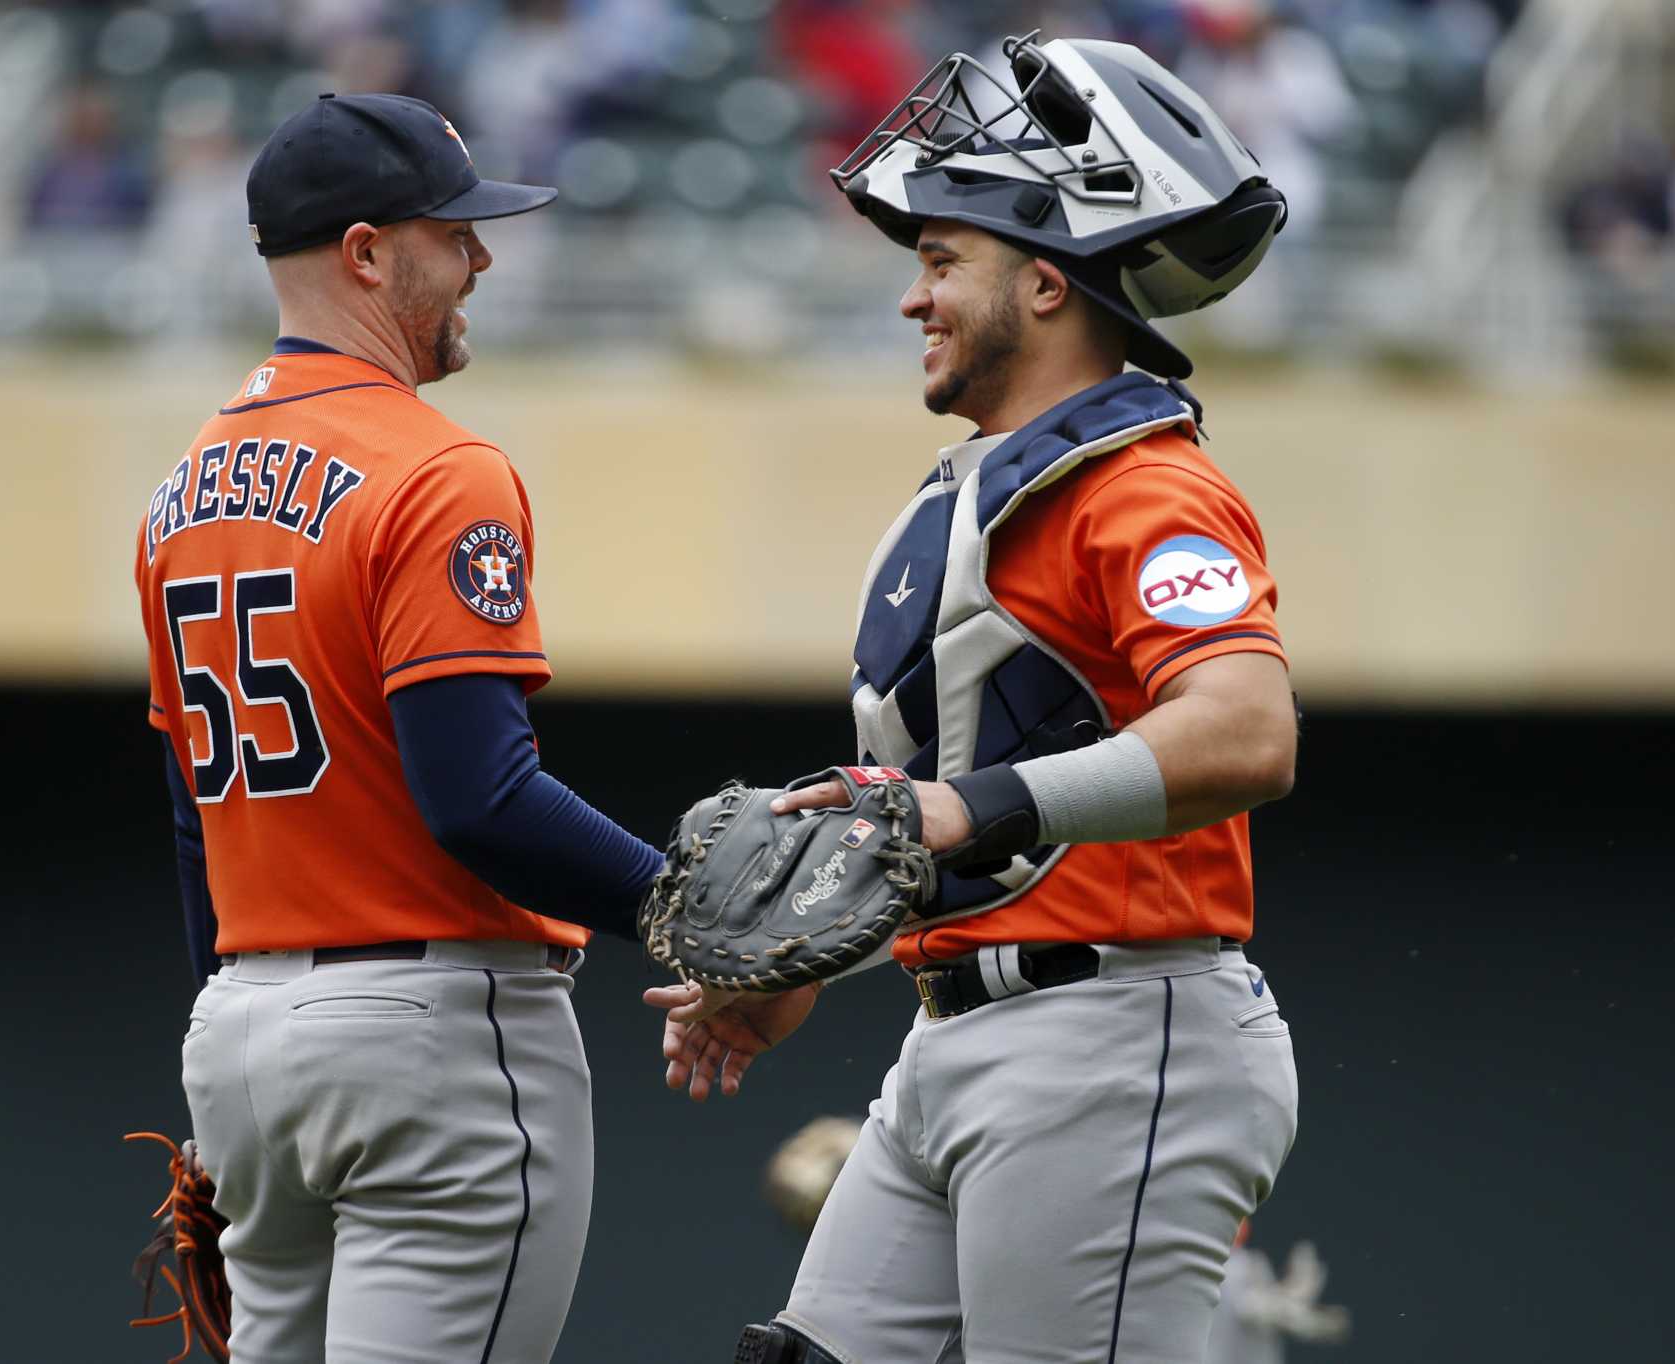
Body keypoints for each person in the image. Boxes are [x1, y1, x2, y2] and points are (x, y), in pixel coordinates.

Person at [646, 35, 1303, 1363]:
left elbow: (1245, 730)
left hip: (1121, 1035)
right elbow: (954, 827)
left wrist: (961, 807)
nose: (914, 299)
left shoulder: (1147, 486)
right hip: (962, 1034)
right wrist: (810, 960)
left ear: (1048, 285)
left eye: (943, 263)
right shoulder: (980, 489)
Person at [134, 92, 664, 1363]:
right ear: (367, 252)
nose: (480, 257)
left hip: (242, 1039)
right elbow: (480, 798)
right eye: (453, 232)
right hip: (432, 1039)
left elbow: (191, 818)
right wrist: (688, 907)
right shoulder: (437, 468)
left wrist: (232, 1043)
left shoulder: (175, 494)